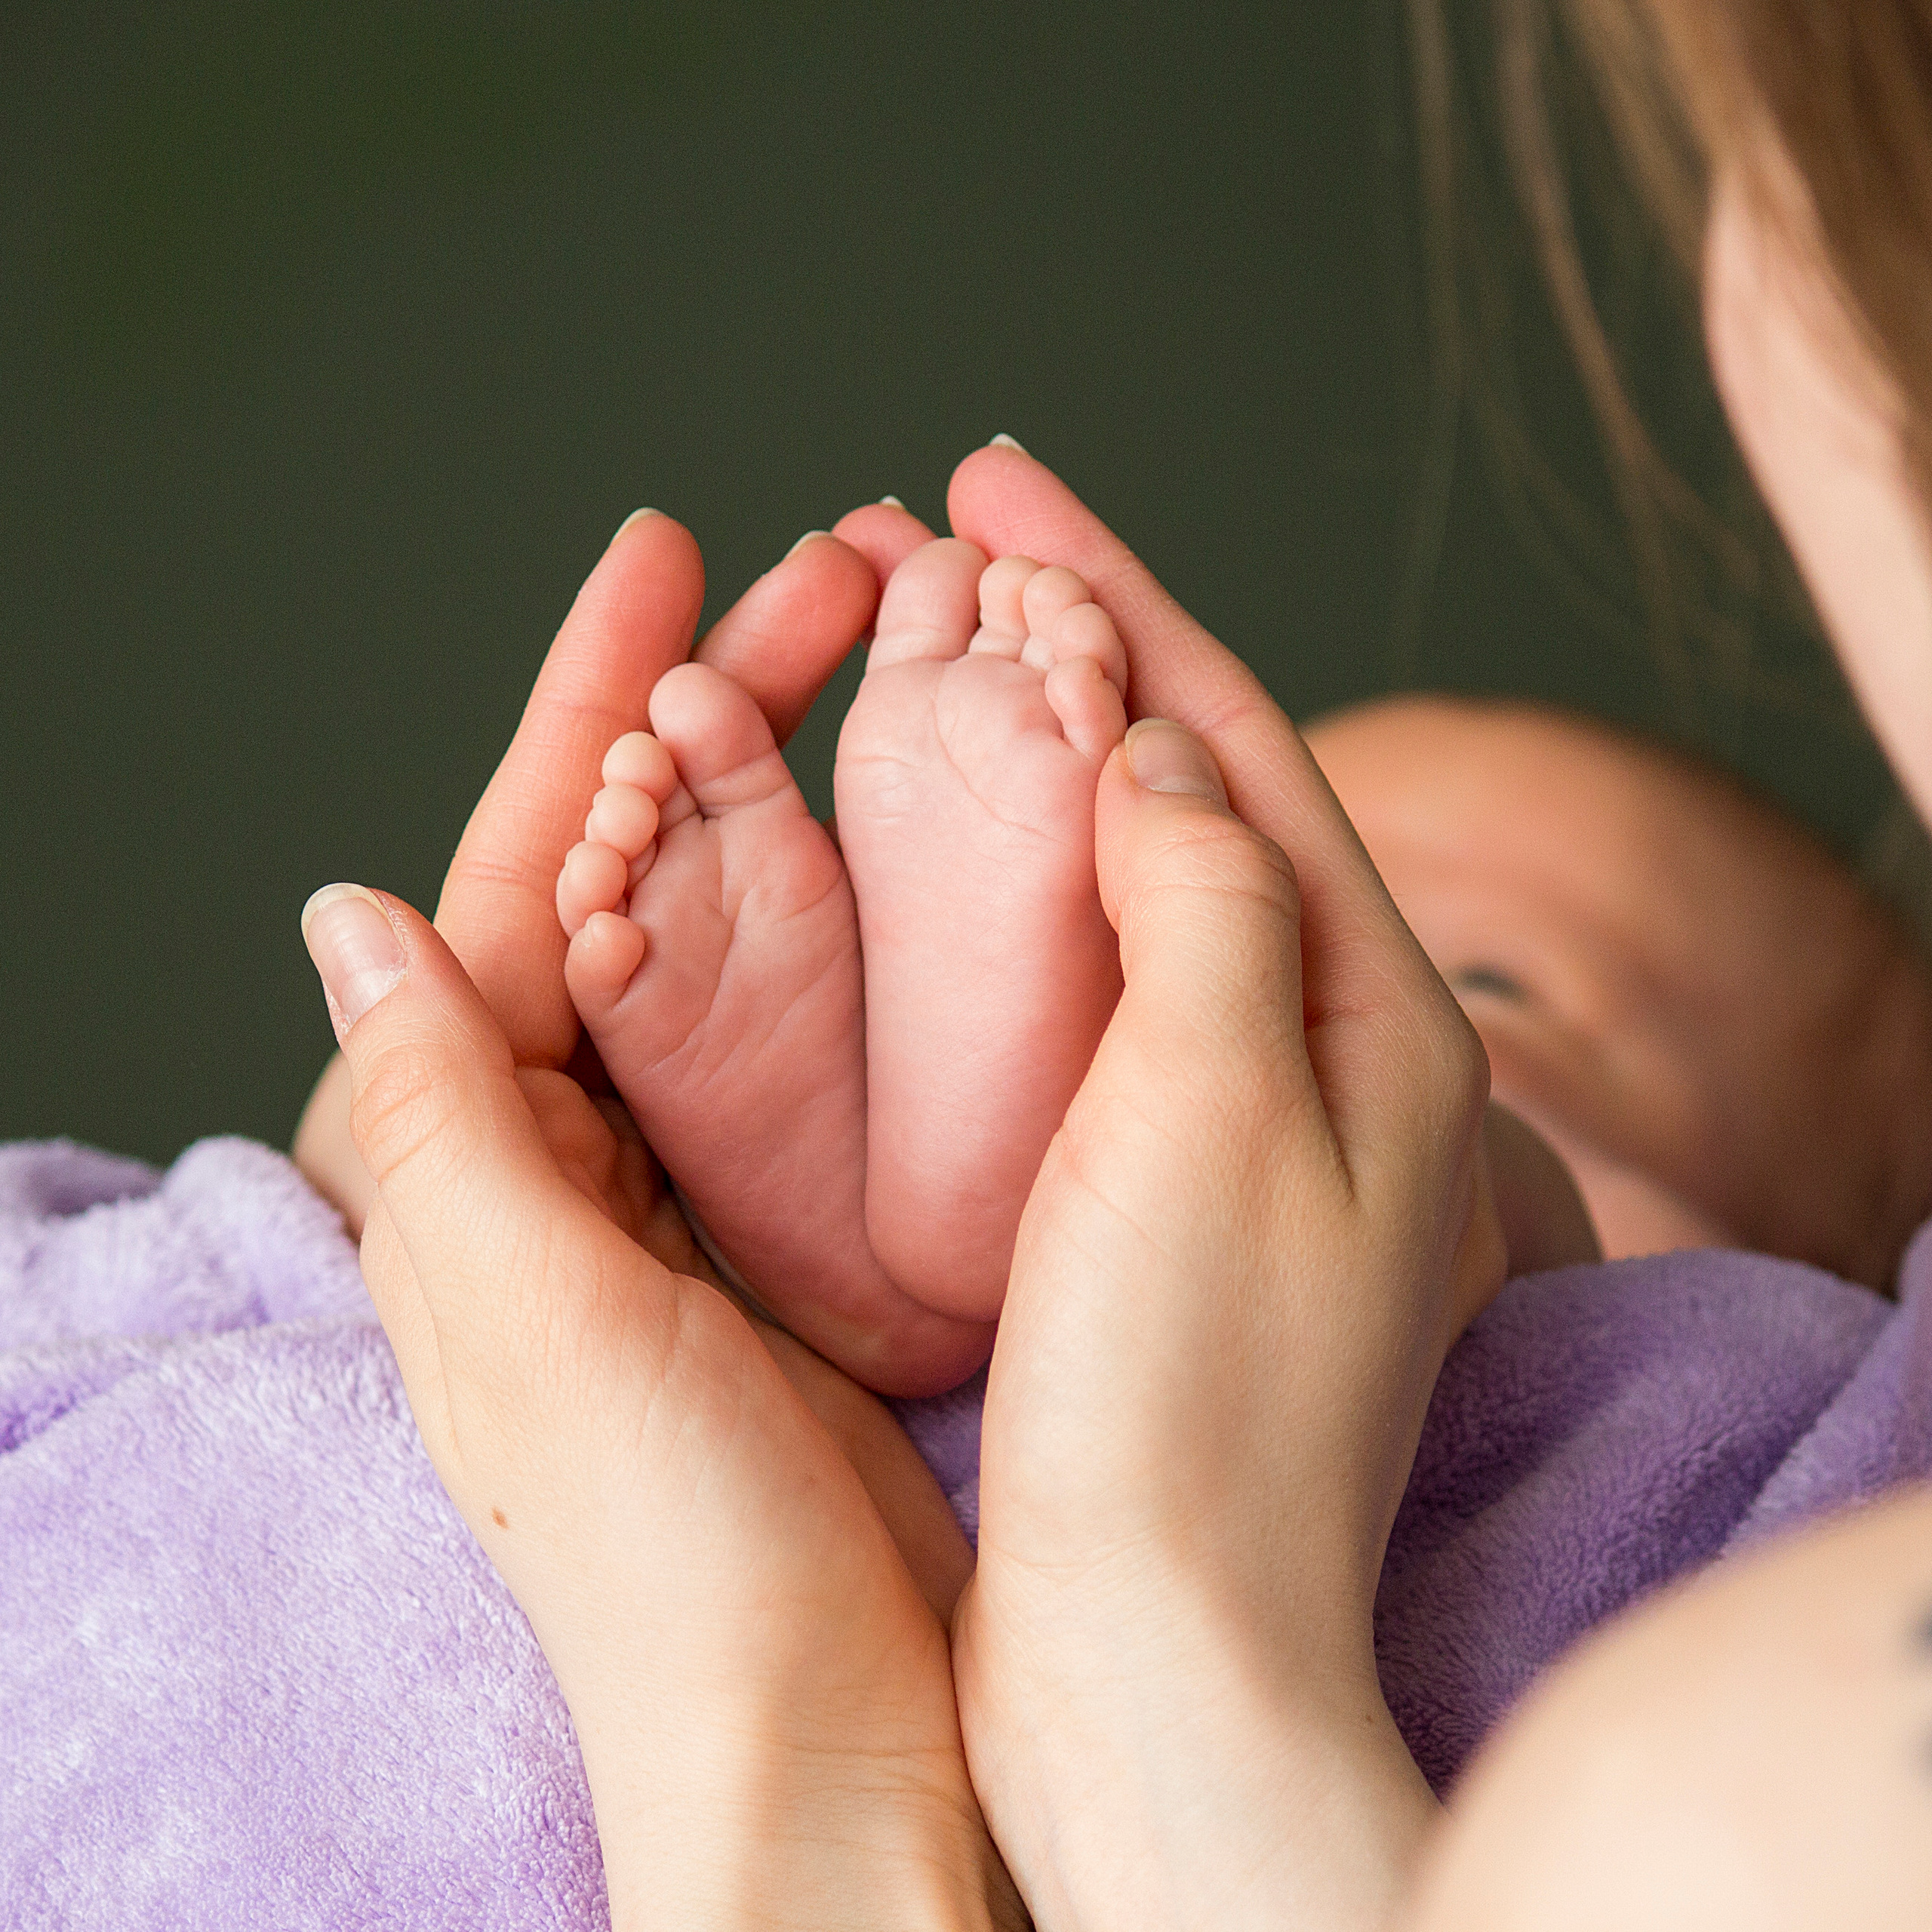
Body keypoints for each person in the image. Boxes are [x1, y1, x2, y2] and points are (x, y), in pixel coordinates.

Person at [295, 2, 1932, 1924]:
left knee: (1472, 1223)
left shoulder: (1785, 1524)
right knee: (398, 1249)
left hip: (1326, 1456)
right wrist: (372, 1205)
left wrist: (913, 1706)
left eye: (1471, 981)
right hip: (932, 1472)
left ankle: (1004, 1146)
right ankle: (927, 1178)